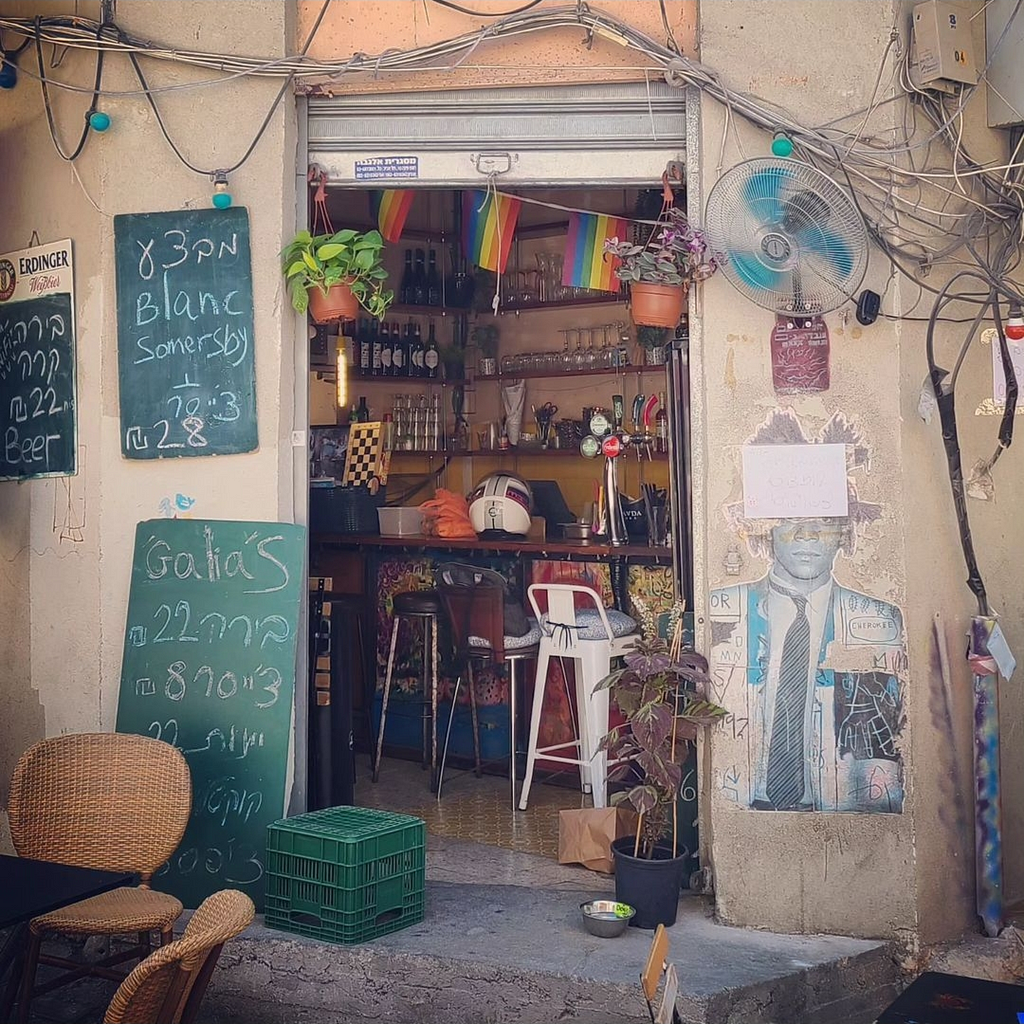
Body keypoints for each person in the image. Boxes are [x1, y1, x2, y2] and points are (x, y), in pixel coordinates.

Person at [710, 410, 905, 813]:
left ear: (844, 533)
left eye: (824, 522)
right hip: (741, 804)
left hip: (842, 813)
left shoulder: (876, 621)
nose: (807, 537)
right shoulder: (722, 610)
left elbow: (878, 745)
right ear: (767, 529)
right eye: (791, 520)